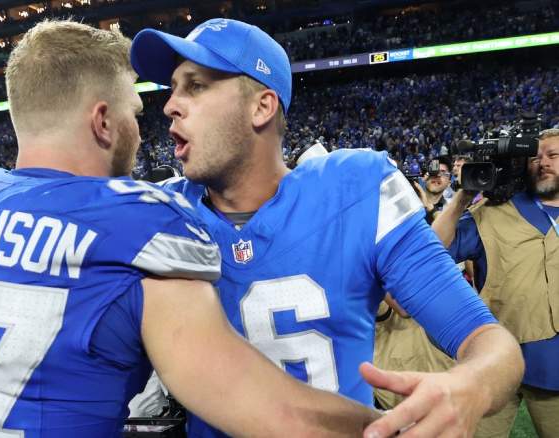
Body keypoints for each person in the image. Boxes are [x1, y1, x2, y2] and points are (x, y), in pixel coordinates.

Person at [0, 20, 380, 438]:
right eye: (135, 112)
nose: (150, 123)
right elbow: (279, 415)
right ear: (104, 123)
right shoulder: (137, 222)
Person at [130, 17, 524, 438]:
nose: (170, 104)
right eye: (172, 87)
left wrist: (468, 386)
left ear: (261, 106)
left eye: (196, 85)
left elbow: (490, 343)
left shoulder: (355, 189)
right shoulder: (158, 211)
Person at [432, 128, 559, 437]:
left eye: (553, 155)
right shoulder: (492, 211)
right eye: (534, 157)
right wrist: (463, 194)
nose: (542, 162)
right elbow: (433, 248)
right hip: (495, 357)